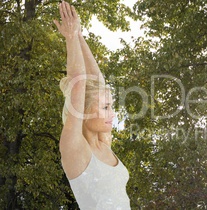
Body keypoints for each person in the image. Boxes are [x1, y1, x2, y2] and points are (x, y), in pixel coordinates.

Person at [54, 1, 131, 209]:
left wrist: (79, 35)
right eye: (105, 108)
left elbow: (99, 82)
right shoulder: (75, 148)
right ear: (83, 112)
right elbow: (79, 85)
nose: (112, 113)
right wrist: (70, 38)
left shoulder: (103, 143)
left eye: (110, 106)